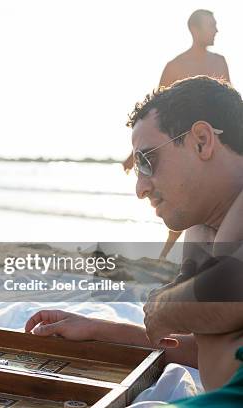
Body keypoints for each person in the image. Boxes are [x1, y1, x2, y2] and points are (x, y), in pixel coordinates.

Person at [26, 77, 243, 397]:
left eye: (146, 160)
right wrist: (99, 330)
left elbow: (229, 295)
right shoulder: (203, 228)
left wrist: (164, 306)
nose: (140, 188)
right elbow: (209, 349)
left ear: (201, 140)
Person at [123, 9, 231, 261]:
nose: (216, 30)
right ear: (195, 29)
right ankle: (174, 259)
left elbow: (232, 105)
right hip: (181, 148)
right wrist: (135, 156)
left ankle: (186, 258)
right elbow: (153, 116)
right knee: (181, 203)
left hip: (215, 144)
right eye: (211, 25)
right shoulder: (176, 66)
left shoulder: (220, 62)